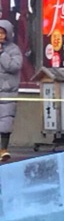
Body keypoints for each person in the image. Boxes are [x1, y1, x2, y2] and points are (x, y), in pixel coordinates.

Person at [0, 18, 21, 161]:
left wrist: (2, 54)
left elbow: (14, 66)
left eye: (2, 33)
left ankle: (3, 149)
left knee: (6, 122)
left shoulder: (14, 50)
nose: (0, 35)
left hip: (7, 92)